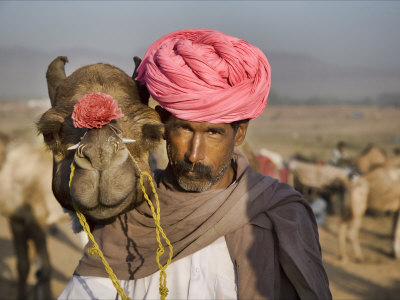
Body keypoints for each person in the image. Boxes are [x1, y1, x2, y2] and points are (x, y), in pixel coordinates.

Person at [59, 29, 331, 299]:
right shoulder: (132, 211)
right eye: (184, 130)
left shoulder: (280, 213)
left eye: (213, 133)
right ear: (162, 123)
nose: (194, 154)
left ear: (240, 133)